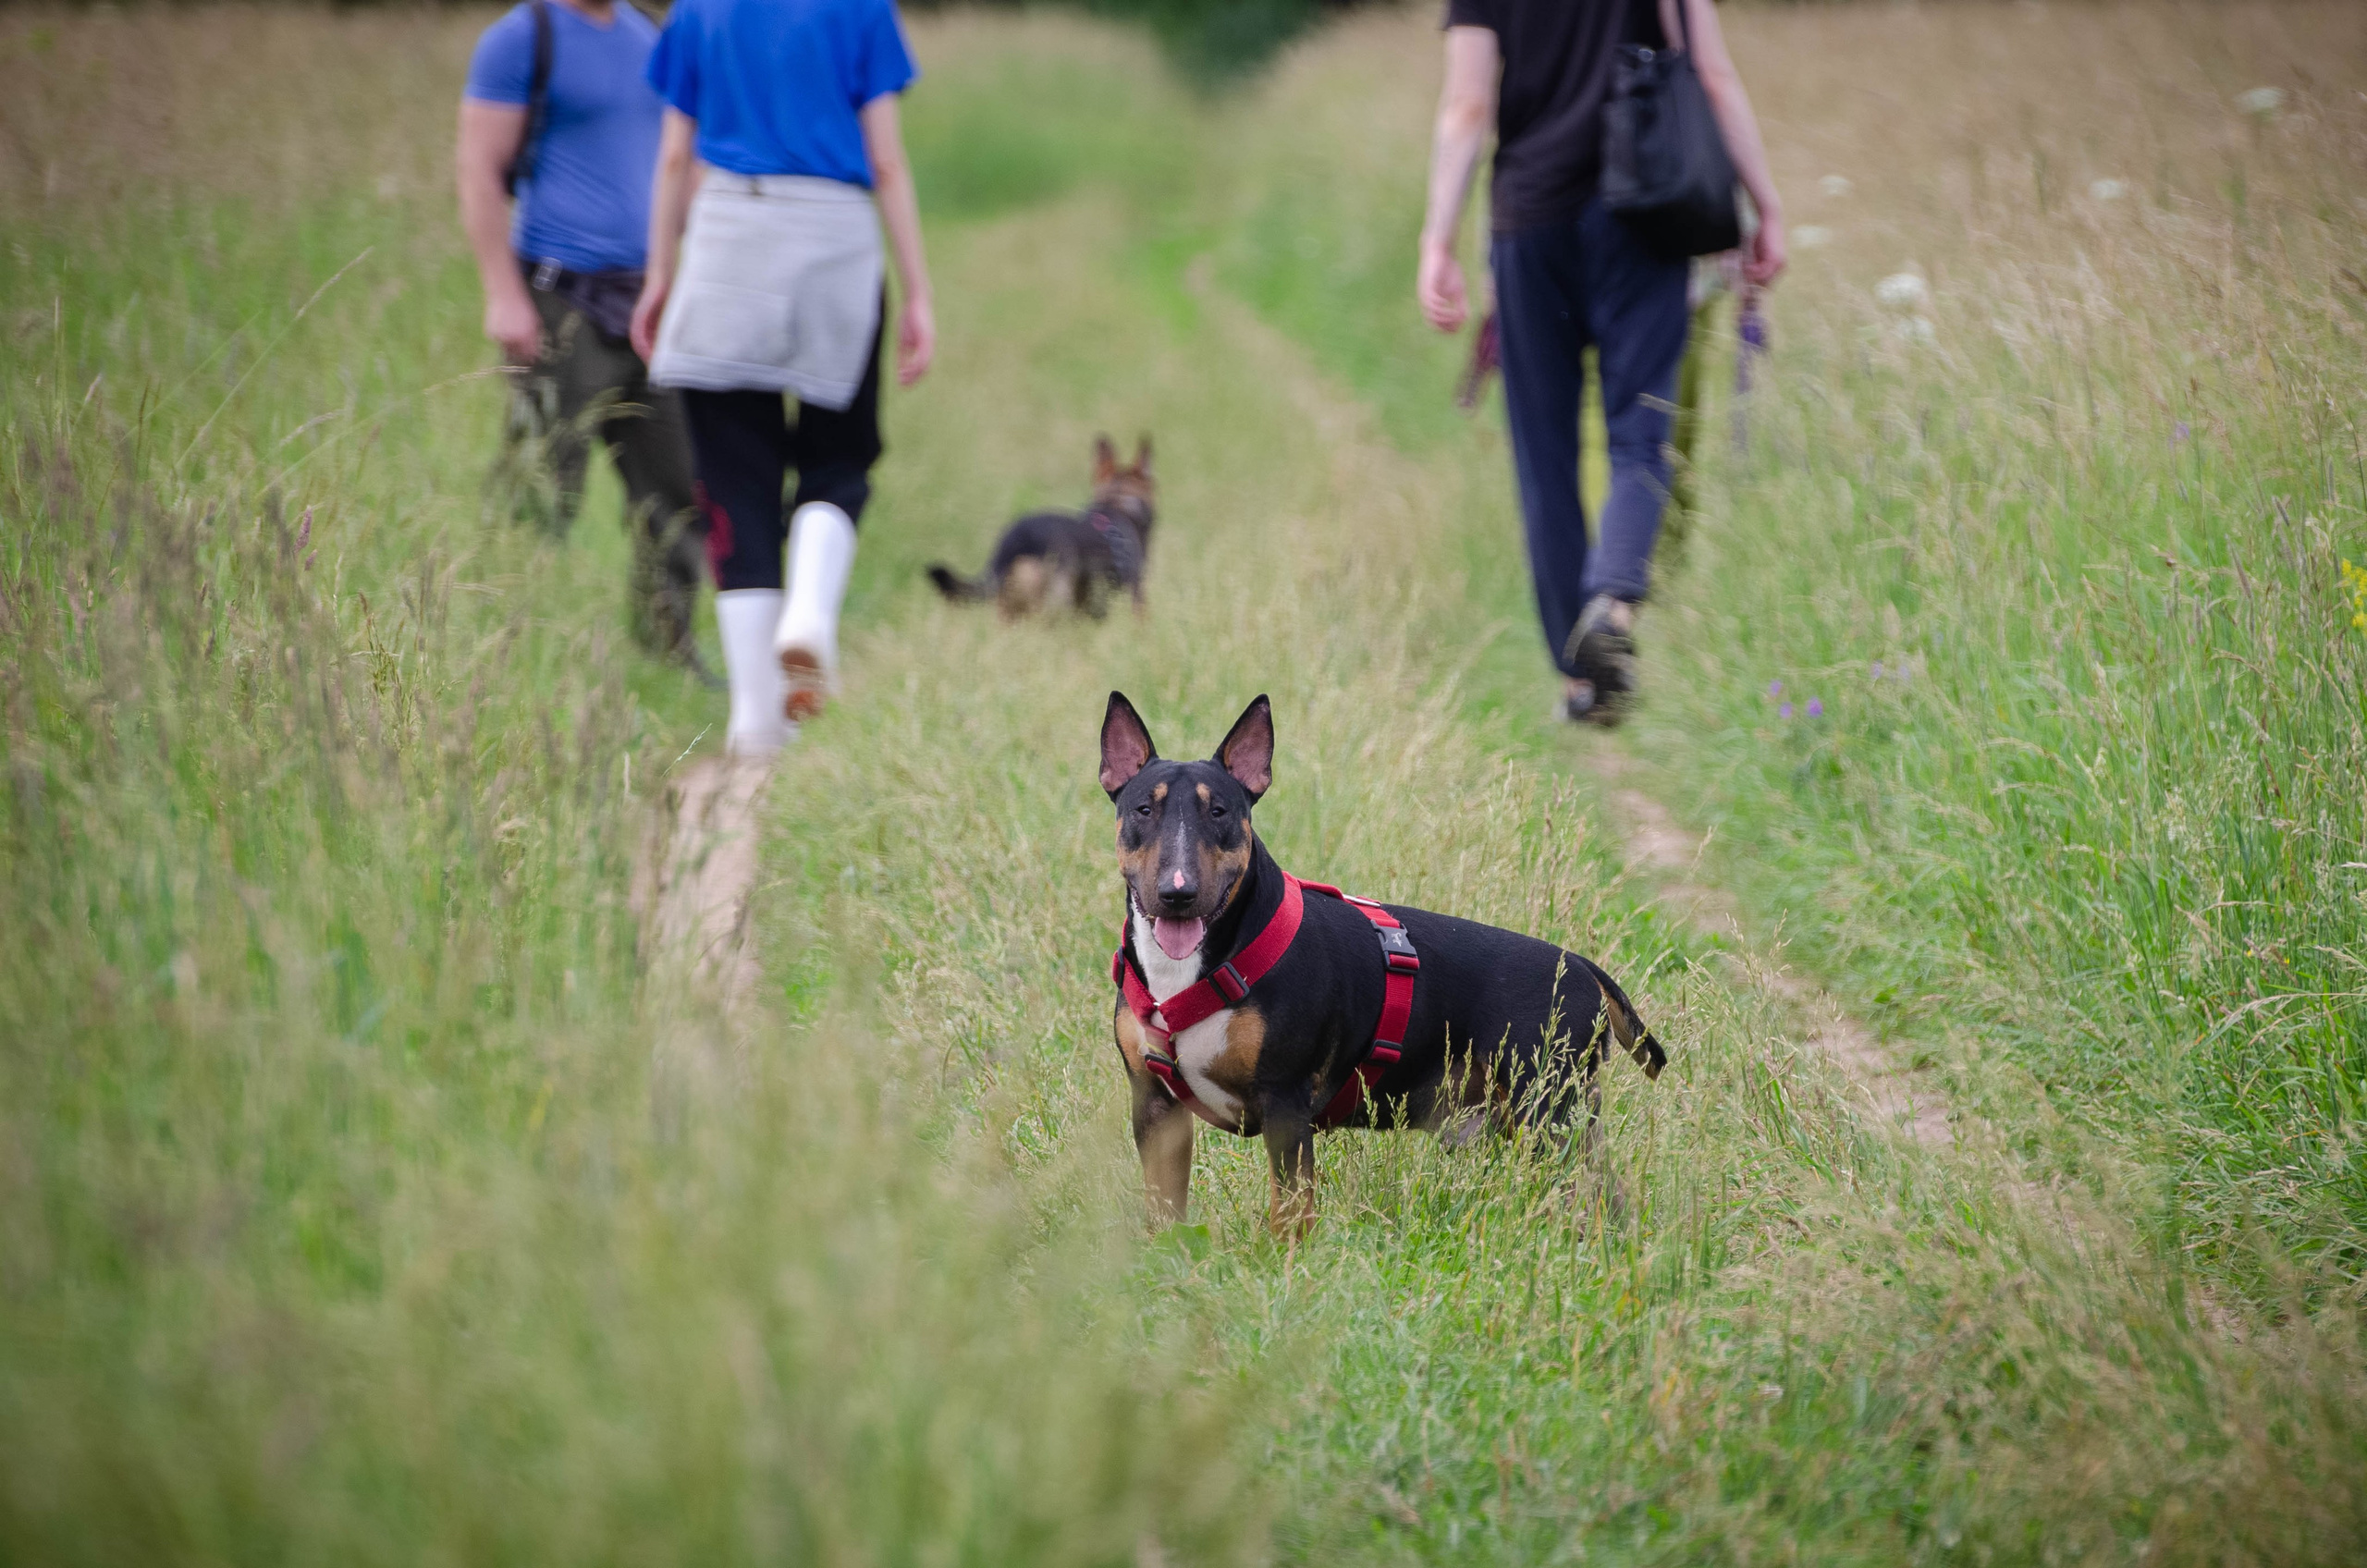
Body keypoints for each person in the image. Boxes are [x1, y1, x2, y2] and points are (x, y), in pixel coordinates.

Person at [1418, 0, 1785, 724]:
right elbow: (1709, 73)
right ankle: (1613, 607)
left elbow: (1466, 106)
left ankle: (1580, 680)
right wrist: (1763, 205)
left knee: (1544, 454)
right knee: (1641, 432)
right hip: (1645, 211)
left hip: (1531, 223)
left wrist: (1439, 238)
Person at [631, 0, 936, 758]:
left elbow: (674, 156)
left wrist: (661, 274)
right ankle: (810, 611)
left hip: (730, 233)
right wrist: (918, 290)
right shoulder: (863, 10)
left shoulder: (697, 11)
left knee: (735, 477)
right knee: (839, 455)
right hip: (834, 241)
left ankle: (754, 717)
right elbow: (888, 161)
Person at [456, 0, 706, 672]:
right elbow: (478, 168)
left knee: (679, 490)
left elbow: (677, 162)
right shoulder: (520, 40)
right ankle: (506, 660)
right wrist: (503, 294)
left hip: (650, 301)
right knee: (540, 487)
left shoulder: (648, 35)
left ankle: (667, 654)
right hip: (560, 298)